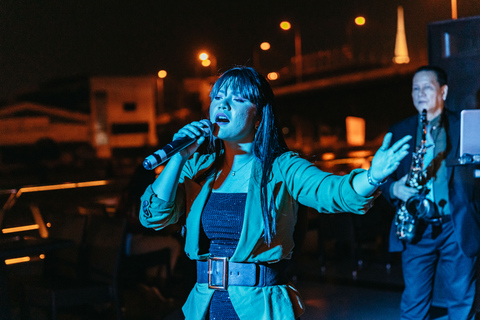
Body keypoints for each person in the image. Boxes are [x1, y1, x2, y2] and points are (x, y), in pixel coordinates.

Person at [139, 66, 411, 319]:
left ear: (258, 116)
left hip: (260, 306)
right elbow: (153, 216)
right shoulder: (197, 168)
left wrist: (373, 176)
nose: (223, 104)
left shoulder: (282, 168)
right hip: (205, 306)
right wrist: (178, 157)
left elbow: (333, 191)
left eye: (238, 99)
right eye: (218, 97)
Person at [379, 65, 480, 319]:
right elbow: (379, 179)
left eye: (427, 87)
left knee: (462, 301)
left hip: (455, 226)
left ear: (443, 92)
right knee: (413, 301)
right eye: (415, 88)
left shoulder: (465, 126)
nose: (419, 93)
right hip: (416, 227)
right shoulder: (399, 130)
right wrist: (393, 187)